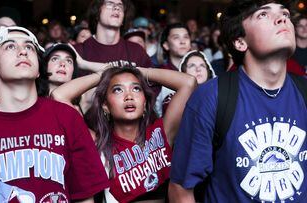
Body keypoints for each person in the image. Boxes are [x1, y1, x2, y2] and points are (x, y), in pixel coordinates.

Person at [0, 26, 109, 202]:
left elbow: (85, 197)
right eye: (10, 46)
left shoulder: (67, 117)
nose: (23, 51)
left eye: (29, 47)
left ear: (39, 69)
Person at [169, 0, 307, 202]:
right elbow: (181, 189)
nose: (282, 19)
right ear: (240, 42)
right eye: (263, 14)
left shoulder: (304, 91)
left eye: (284, 13)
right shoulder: (211, 98)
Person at [51, 66, 196, 202]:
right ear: (105, 106)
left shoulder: (161, 133)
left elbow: (188, 83)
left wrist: (139, 71)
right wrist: (105, 73)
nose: (129, 96)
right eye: (118, 90)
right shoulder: (98, 144)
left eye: (136, 88)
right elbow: (58, 95)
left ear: (145, 103)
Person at [74, 0, 156, 112]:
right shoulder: (79, 51)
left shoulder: (136, 50)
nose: (116, 8)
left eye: (120, 6)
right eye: (110, 4)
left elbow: (152, 88)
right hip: (91, 123)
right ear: (97, 13)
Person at [156, 50, 216, 117]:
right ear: (184, 72)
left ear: (208, 71)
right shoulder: (173, 98)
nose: (198, 69)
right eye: (192, 66)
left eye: (202, 65)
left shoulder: (217, 95)